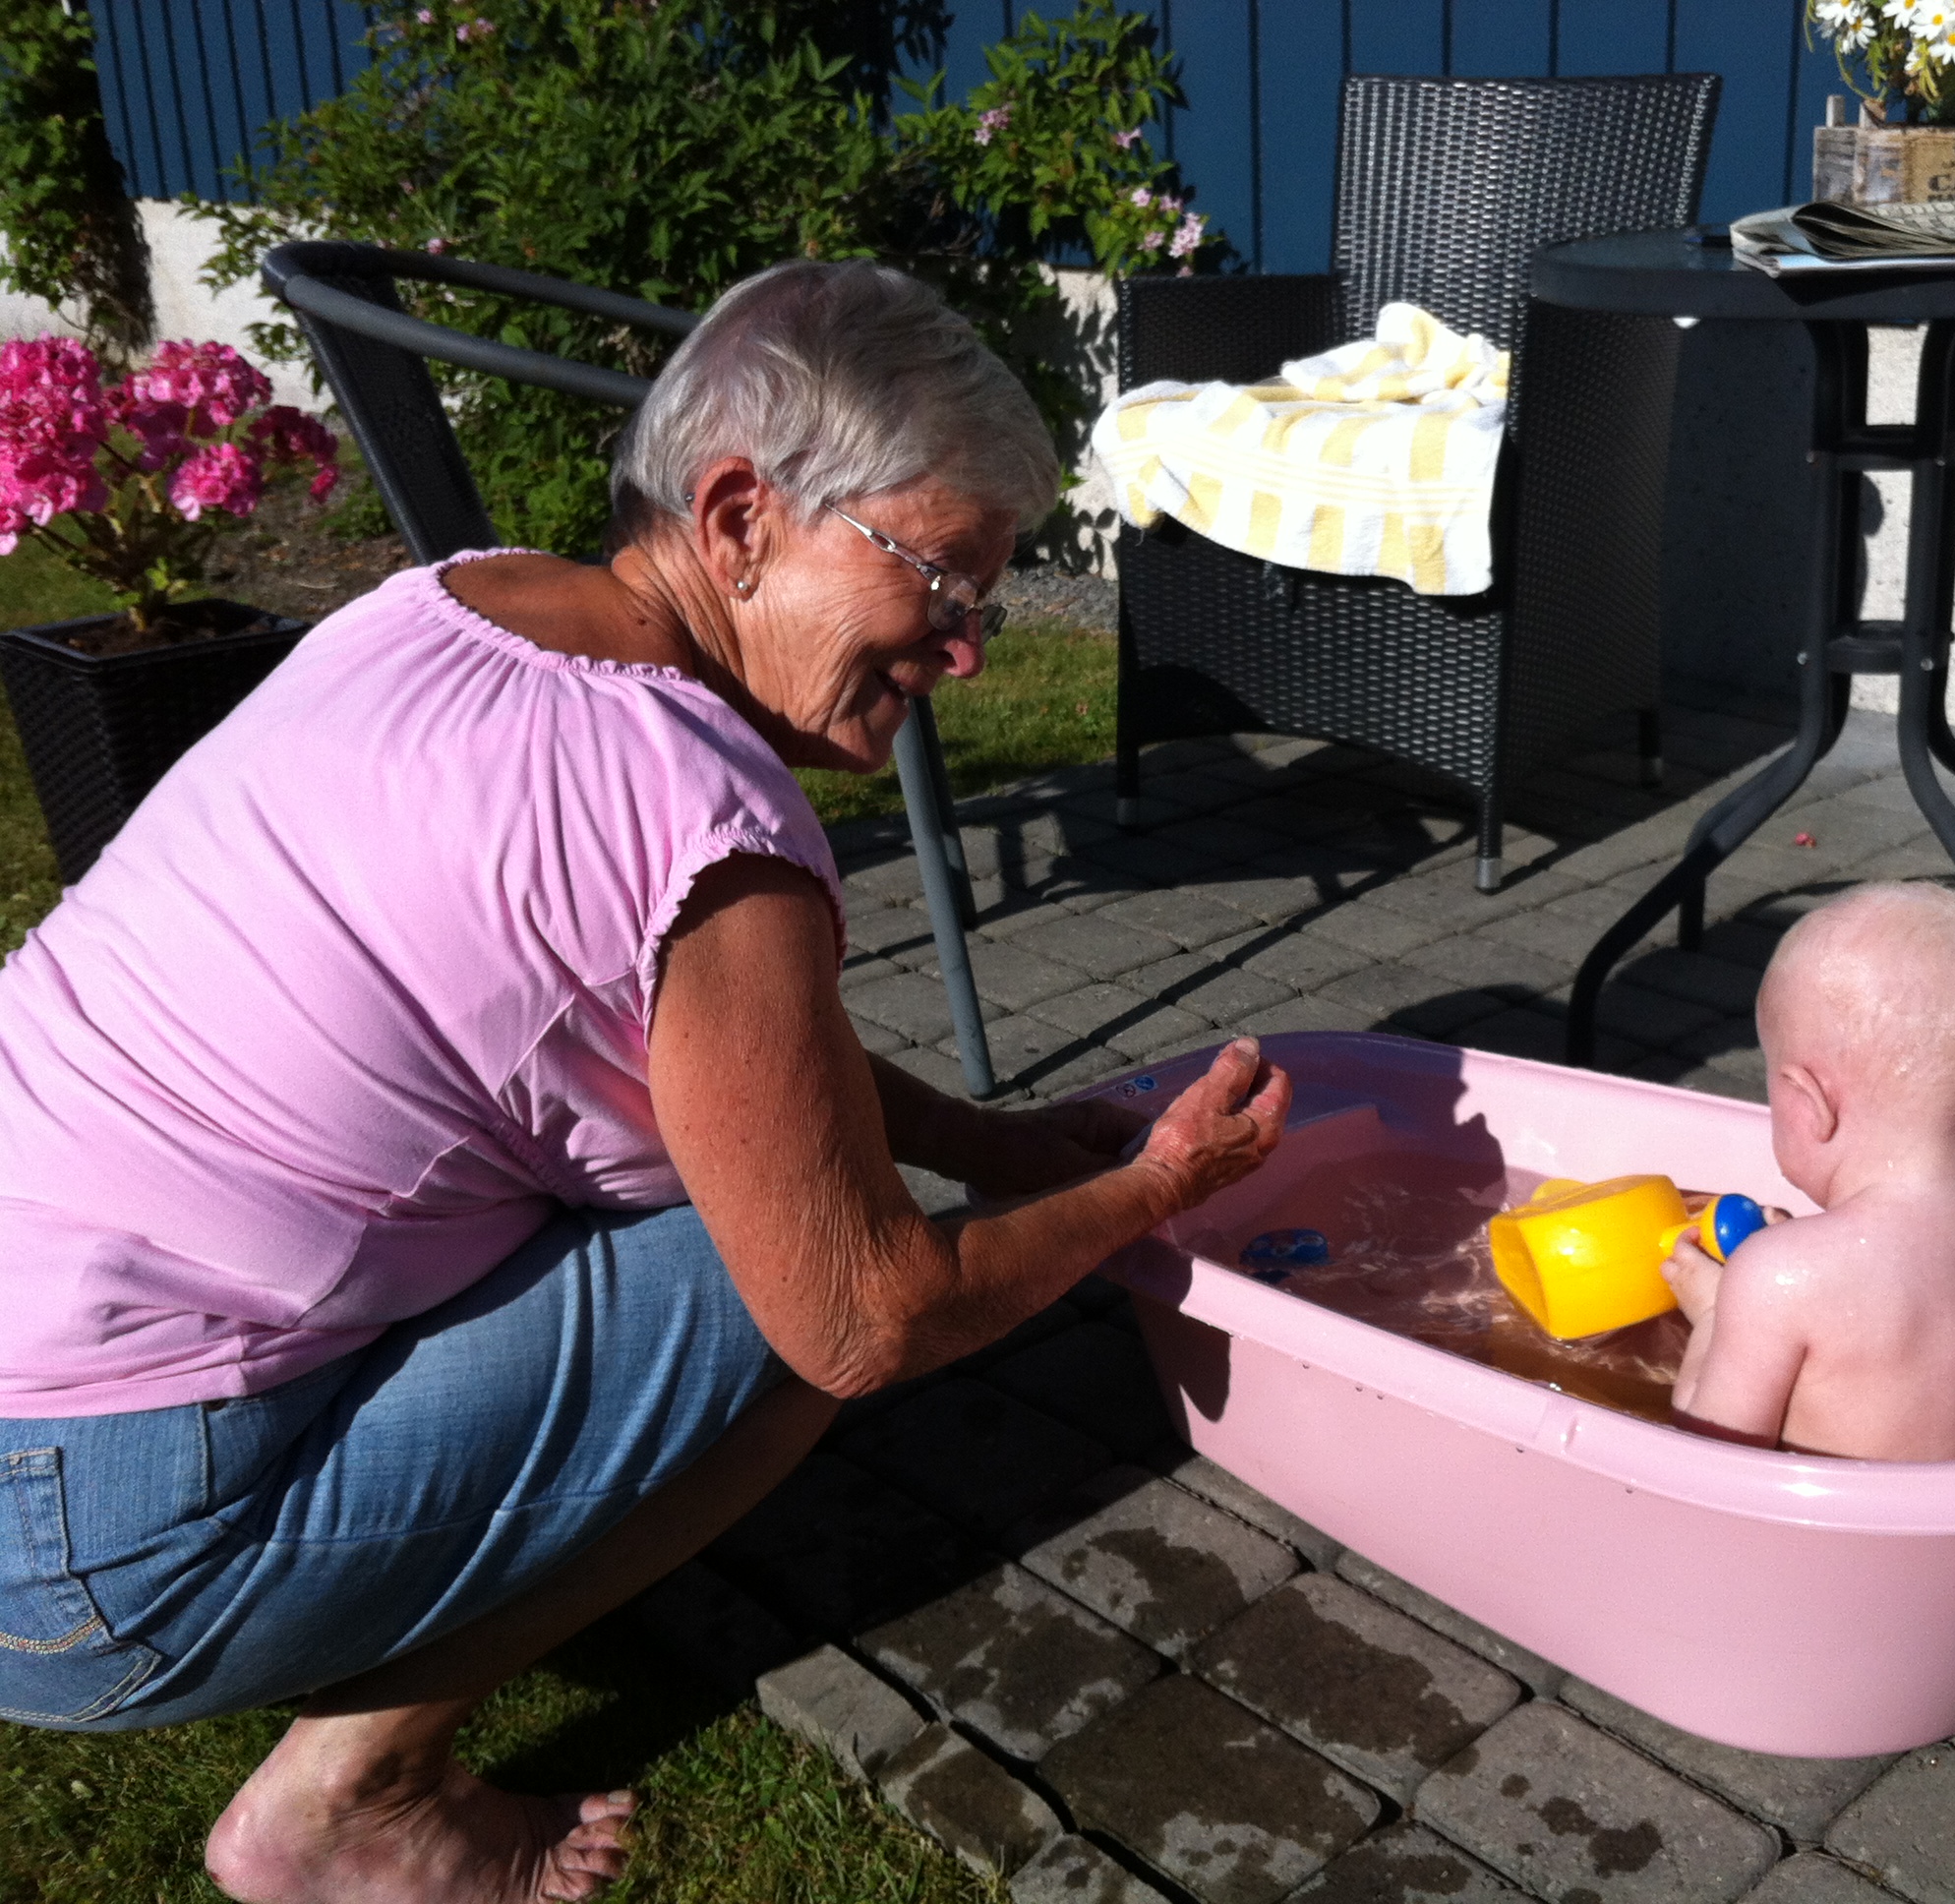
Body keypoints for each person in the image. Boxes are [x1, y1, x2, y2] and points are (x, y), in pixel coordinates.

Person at [0, 260, 1290, 1904]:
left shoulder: (448, 603)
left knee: (752, 1194)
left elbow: (726, 1060)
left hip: (38, 1413)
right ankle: (355, 1792)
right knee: (791, 1291)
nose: (967, 650)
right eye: (941, 582)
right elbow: (864, 1316)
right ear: (741, 515)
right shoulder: (709, 826)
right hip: (85, 1563)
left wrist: (995, 1139)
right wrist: (1153, 1189)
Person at [1661, 882, 1955, 1461]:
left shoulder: (1777, 1277)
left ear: (1807, 1104)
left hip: (1843, 1525)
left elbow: (1709, 1459)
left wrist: (1719, 1317)